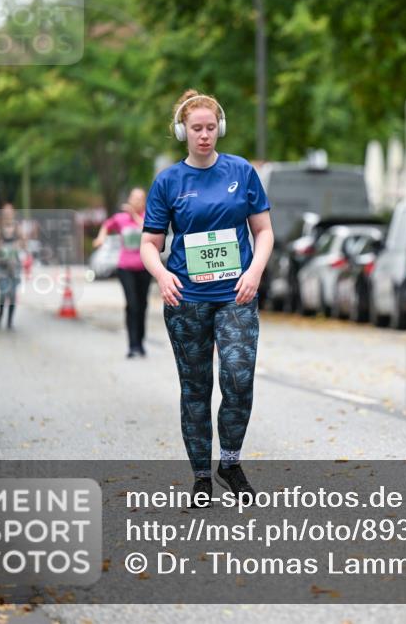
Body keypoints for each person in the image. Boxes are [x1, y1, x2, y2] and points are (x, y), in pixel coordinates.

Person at [140, 89, 274, 508]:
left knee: (238, 377)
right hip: (186, 297)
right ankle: (201, 476)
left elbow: (264, 231)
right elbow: (150, 242)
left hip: (236, 292)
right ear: (183, 131)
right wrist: (161, 275)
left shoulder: (241, 172)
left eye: (210, 128)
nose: (204, 136)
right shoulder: (168, 182)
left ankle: (229, 462)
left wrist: (254, 272)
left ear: (221, 128)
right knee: (195, 388)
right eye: (196, 128)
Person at [94, 188, 151, 357]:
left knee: (142, 305)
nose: (136, 201)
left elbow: (147, 228)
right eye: (133, 198)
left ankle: (140, 342)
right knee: (132, 304)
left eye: (140, 198)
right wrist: (101, 236)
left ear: (144, 202)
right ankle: (132, 345)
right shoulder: (120, 219)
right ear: (129, 199)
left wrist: (134, 215)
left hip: (144, 267)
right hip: (125, 267)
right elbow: (107, 225)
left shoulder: (148, 216)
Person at [0, 203, 25, 330]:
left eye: (9, 212)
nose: (7, 215)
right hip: (1, 266)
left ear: (13, 213)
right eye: (5, 212)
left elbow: (24, 242)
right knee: (4, 291)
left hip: (14, 265)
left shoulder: (17, 228)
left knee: (12, 294)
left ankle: (10, 321)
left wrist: (18, 245)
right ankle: (0, 314)